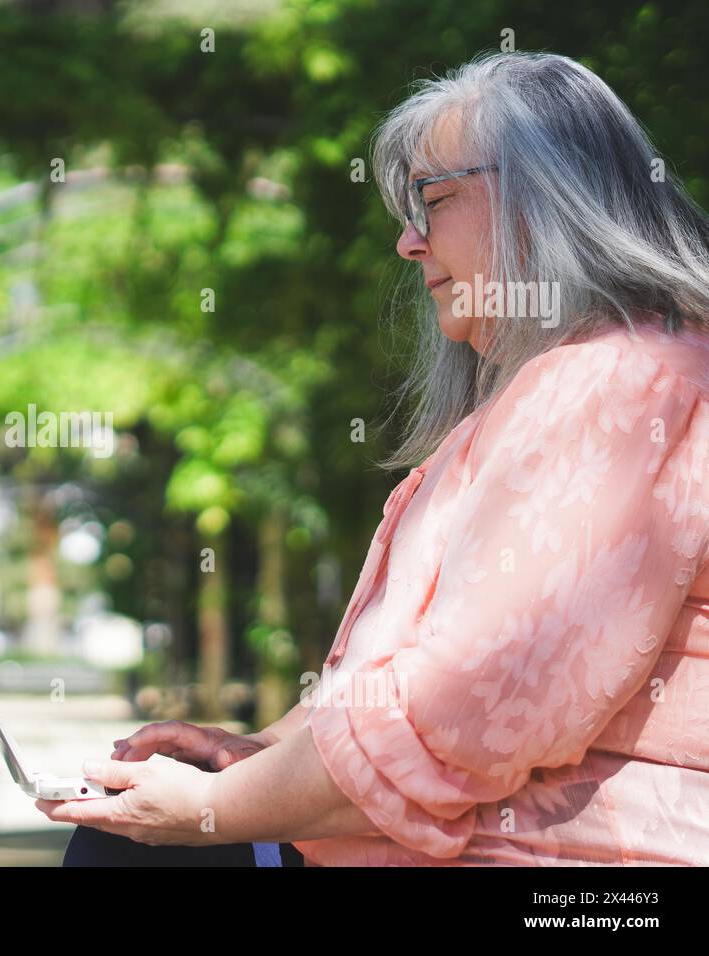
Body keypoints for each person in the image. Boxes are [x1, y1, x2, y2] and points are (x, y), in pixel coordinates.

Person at [44, 49, 709, 866]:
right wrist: (257, 751)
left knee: (137, 856)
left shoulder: (621, 381)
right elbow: (406, 685)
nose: (407, 242)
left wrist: (217, 806)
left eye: (432, 203)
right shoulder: (598, 378)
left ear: (541, 199)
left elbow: (465, 704)